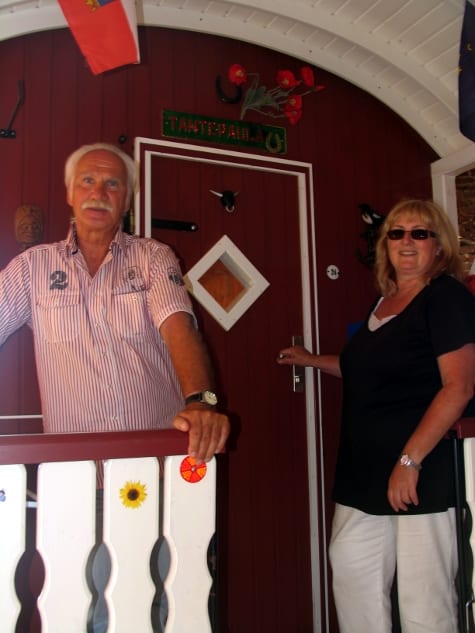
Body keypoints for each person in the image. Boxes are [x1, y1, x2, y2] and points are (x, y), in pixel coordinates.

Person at [0, 142, 230, 631]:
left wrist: (201, 400)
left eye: (111, 184)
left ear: (126, 199)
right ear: (68, 192)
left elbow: (177, 325)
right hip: (75, 485)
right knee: (88, 610)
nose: (98, 192)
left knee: (171, 606)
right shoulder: (32, 269)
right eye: (87, 180)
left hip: (160, 477)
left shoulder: (152, 257)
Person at [277, 199, 475, 633]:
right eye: (396, 233)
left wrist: (410, 461)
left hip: (420, 470)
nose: (406, 242)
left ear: (438, 246)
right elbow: (363, 366)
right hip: (364, 472)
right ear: (385, 245)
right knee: (351, 574)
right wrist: (312, 360)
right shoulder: (383, 301)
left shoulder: (446, 298)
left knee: (424, 599)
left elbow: (458, 386)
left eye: (419, 233)